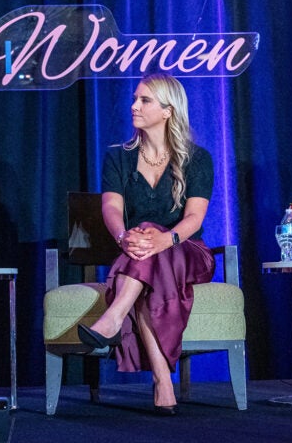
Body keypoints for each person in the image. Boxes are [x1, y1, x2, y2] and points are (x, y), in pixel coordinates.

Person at [76, 74, 215, 415]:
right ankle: (163, 381)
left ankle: (111, 319)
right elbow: (111, 208)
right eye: (134, 99)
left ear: (168, 110)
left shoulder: (198, 159)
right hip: (138, 252)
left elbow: (195, 217)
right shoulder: (118, 158)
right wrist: (124, 237)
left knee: (145, 250)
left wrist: (164, 238)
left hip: (186, 251)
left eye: (144, 100)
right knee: (144, 268)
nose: (134, 106)